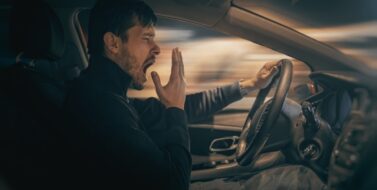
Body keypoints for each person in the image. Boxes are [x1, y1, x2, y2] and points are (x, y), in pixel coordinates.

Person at [61, 0, 281, 189]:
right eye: (147, 38)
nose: (156, 49)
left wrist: (251, 84)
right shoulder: (101, 107)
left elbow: (188, 107)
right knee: (291, 179)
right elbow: (173, 184)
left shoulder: (108, 95)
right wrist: (174, 109)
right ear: (113, 43)